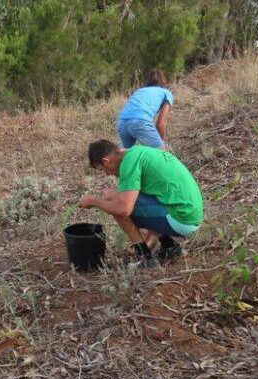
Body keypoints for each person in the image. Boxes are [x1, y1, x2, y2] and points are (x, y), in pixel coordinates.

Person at [79, 139, 203, 267]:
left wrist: (93, 201)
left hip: (182, 220)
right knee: (124, 195)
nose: (107, 174)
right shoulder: (136, 152)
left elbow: (124, 208)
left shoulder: (129, 162)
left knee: (112, 198)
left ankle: (145, 258)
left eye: (102, 169)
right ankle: (170, 247)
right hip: (191, 214)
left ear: (106, 161)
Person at [116, 69, 174, 149]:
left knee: (128, 156)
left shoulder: (139, 91)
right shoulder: (166, 93)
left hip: (122, 123)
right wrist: (161, 143)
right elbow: (160, 124)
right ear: (164, 80)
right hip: (140, 122)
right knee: (162, 155)